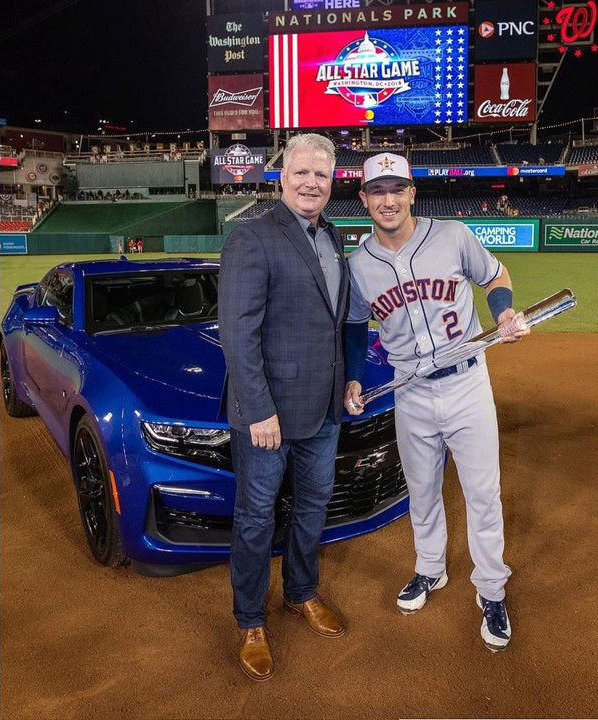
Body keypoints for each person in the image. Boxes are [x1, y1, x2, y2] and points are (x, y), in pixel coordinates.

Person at [342, 152, 529, 652]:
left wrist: (503, 312)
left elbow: (496, 276)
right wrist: (354, 377)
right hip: (410, 390)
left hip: (467, 383)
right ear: (364, 199)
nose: (387, 200)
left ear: (412, 193)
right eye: (377, 191)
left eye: (396, 189)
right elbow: (356, 326)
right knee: (421, 491)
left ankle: (491, 588)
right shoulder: (358, 266)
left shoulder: (453, 235)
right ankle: (430, 569)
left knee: (482, 494)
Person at [218, 132, 350, 682]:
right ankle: (251, 621)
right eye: (301, 173)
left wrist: (346, 381)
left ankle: (300, 592)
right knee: (255, 517)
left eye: (321, 175)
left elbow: (333, 325)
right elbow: (237, 332)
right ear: (281, 178)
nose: (311, 183)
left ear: (332, 182)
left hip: (323, 408)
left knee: (313, 506)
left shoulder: (332, 236)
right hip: (268, 413)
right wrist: (257, 409)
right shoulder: (252, 236)